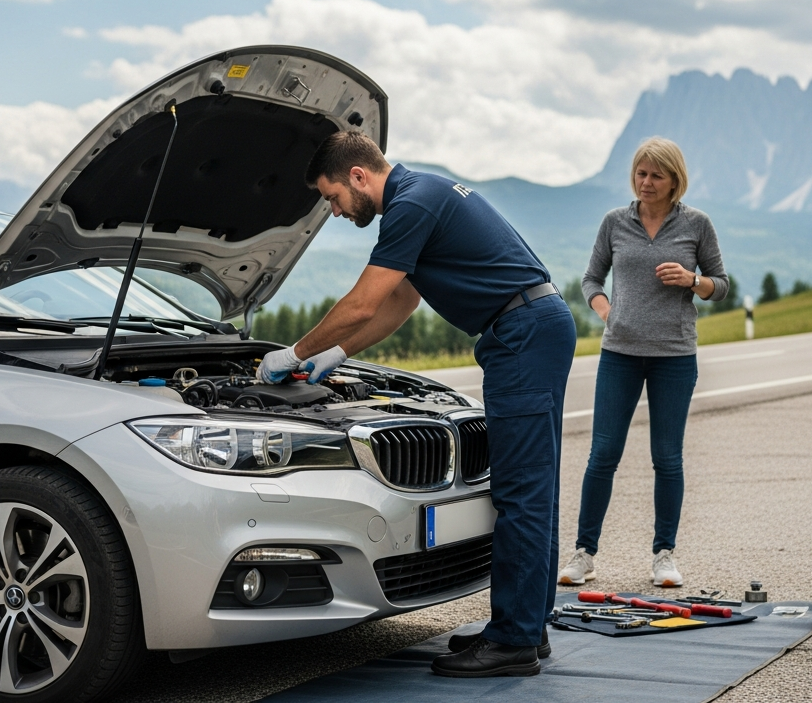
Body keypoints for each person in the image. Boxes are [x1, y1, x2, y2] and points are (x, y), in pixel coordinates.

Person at [257, 131, 575, 677]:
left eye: (331, 197)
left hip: (522, 334)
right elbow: (399, 302)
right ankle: (526, 628)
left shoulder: (409, 203)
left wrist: (291, 352)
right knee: (531, 489)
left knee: (521, 493)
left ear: (358, 176)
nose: (333, 211)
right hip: (531, 327)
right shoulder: (419, 195)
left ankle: (514, 641)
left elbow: (362, 302)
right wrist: (335, 353)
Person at [560, 137, 730, 588]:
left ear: (675, 180)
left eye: (656, 175)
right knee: (603, 454)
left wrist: (694, 280)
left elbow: (722, 285)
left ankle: (664, 554)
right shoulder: (615, 222)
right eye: (640, 173)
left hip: (674, 356)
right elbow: (591, 278)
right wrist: (605, 311)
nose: (646, 182)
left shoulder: (697, 224)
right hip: (620, 355)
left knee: (667, 458)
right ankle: (583, 553)